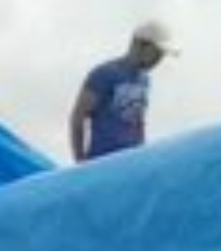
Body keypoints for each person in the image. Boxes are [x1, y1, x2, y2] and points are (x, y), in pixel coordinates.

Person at [69, 21, 177, 163]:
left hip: (131, 161)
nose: (159, 60)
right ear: (140, 45)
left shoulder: (144, 80)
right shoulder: (104, 74)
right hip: (102, 160)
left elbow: (138, 121)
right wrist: (80, 161)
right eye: (157, 54)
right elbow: (78, 117)